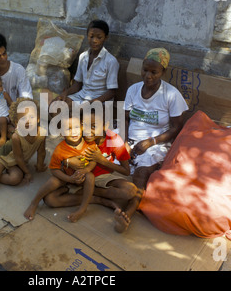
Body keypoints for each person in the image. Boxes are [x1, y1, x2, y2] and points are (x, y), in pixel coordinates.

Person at [124, 47, 189, 193]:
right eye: (145, 70)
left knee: (141, 174)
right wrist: (125, 142)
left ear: (163, 72)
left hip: (155, 143)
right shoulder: (133, 90)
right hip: (130, 139)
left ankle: (134, 202)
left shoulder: (171, 94)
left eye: (154, 72)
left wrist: (151, 142)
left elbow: (176, 127)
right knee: (102, 160)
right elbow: (125, 119)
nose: (148, 76)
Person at [66, 110, 142, 233]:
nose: (88, 131)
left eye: (94, 126)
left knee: (132, 191)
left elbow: (126, 171)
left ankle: (123, 216)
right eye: (84, 125)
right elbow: (62, 156)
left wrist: (101, 160)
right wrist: (69, 163)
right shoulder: (77, 136)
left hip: (103, 177)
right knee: (52, 199)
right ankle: (97, 198)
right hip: (82, 178)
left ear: (105, 126)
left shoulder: (114, 140)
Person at [24, 115, 97, 223]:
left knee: (90, 177)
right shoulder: (60, 150)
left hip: (82, 178)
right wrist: (69, 179)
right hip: (67, 177)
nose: (74, 132)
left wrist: (86, 170)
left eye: (76, 127)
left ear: (82, 127)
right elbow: (54, 170)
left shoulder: (89, 144)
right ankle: (34, 203)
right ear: (62, 133)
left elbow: (93, 160)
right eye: (69, 129)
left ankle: (82, 208)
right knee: (50, 199)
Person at [53, 20, 119, 108]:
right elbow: (77, 84)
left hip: (99, 102)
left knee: (79, 117)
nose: (94, 40)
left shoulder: (111, 61)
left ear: (106, 38)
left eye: (99, 37)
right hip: (81, 97)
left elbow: (111, 92)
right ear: (87, 36)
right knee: (55, 106)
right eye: (91, 36)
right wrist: (64, 94)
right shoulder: (83, 57)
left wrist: (91, 103)